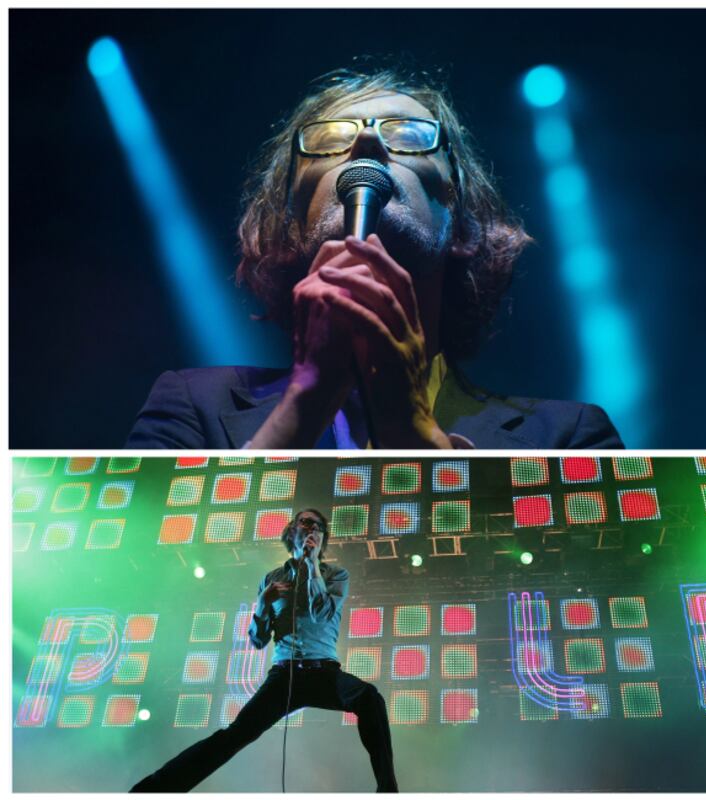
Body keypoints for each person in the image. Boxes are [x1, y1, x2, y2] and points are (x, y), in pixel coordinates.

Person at [126, 66, 623, 449]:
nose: (365, 142)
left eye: (407, 135)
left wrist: (411, 435)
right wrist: (301, 411)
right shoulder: (193, 405)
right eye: (329, 140)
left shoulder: (567, 437)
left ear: (463, 228)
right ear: (290, 228)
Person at [131, 509, 398, 793]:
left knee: (369, 698)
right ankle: (155, 789)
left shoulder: (335, 575)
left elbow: (320, 613)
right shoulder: (273, 578)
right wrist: (262, 602)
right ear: (291, 530)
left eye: (317, 525)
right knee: (233, 735)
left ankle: (388, 791)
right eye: (304, 521)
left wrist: (311, 565)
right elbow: (258, 641)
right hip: (283, 676)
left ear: (321, 538)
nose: (310, 527)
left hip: (324, 672)